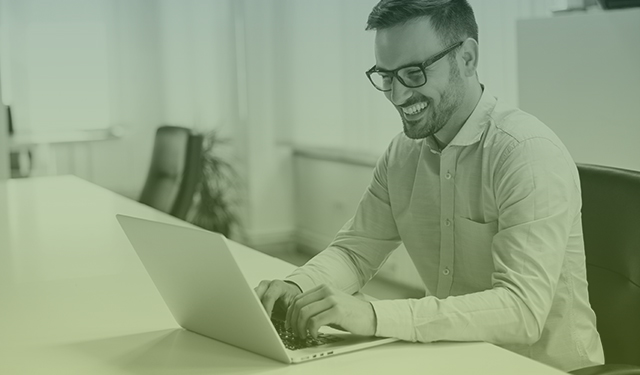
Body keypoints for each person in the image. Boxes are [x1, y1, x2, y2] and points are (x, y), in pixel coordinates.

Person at [254, 0, 604, 371]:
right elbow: (355, 253)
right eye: (386, 76)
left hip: (543, 368)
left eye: (414, 72)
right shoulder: (402, 155)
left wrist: (372, 315)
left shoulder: (526, 153)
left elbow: (522, 311)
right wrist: (296, 286)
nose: (398, 95)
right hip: (451, 359)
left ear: (467, 58)